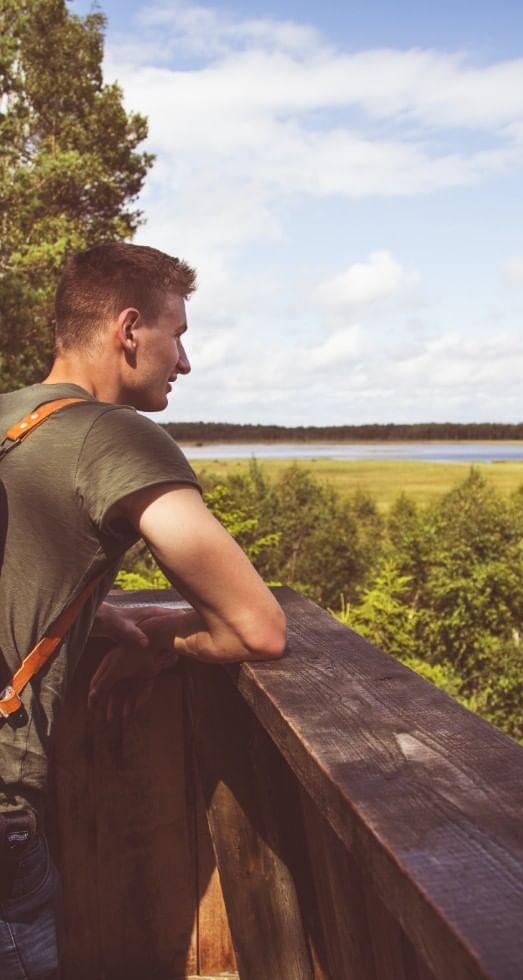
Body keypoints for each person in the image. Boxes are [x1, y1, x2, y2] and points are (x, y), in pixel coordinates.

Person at [0, 242, 287, 978]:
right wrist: (168, 642)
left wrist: (100, 621)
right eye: (177, 334)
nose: (184, 361)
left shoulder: (7, 421)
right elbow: (255, 628)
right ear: (129, 330)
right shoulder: (113, 435)